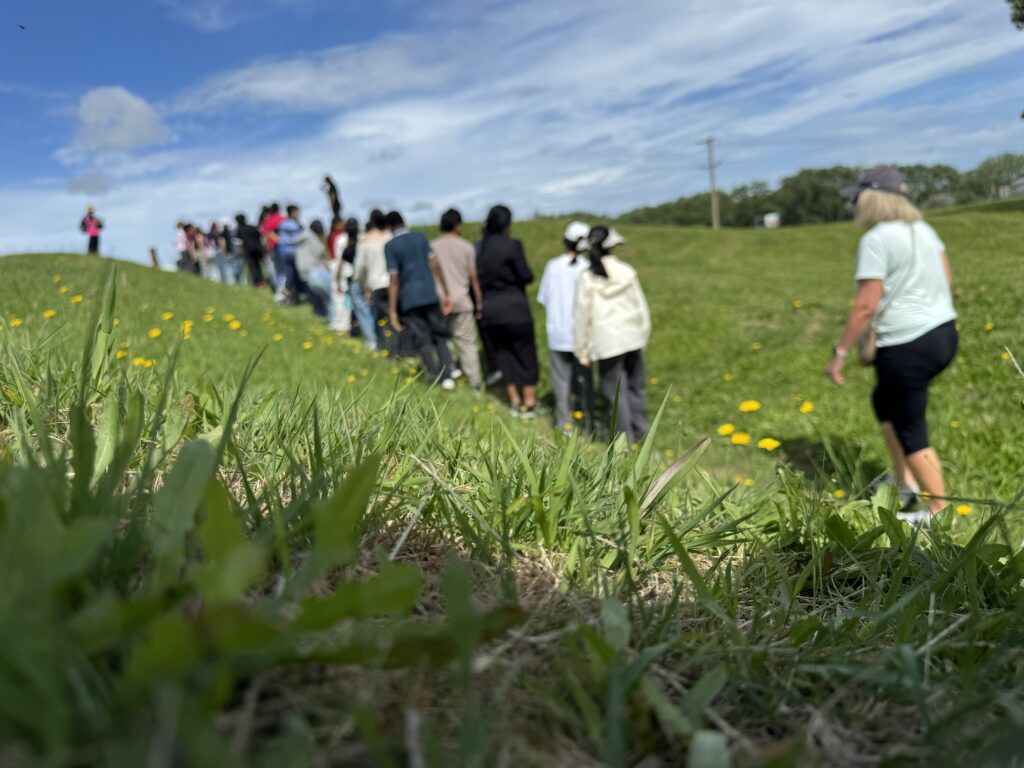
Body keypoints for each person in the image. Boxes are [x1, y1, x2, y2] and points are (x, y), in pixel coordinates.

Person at [827, 167, 959, 522]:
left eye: (856, 199)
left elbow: (865, 305)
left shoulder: (876, 239)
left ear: (872, 200)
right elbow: (946, 279)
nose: (854, 206)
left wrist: (839, 354)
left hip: (907, 344)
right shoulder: (924, 230)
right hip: (943, 333)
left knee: (909, 425)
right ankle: (904, 484)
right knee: (884, 401)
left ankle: (937, 512)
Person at [574, 226, 651, 445]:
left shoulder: (587, 278)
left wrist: (582, 350)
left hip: (607, 342)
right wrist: (643, 335)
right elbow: (641, 306)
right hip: (632, 337)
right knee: (636, 388)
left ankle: (623, 442)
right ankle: (642, 435)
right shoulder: (626, 271)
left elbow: (582, 316)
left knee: (615, 394)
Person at [476, 205, 539, 417]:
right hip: (515, 308)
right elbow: (526, 275)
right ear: (507, 224)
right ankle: (529, 403)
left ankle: (514, 401)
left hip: (491, 311)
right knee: (525, 354)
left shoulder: (480, 249)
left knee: (503, 356)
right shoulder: (512, 245)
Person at [385, 210, 457, 388]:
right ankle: (448, 372)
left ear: (390, 227)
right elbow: (435, 265)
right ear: (403, 222)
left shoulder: (391, 246)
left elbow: (394, 279)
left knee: (422, 338)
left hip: (409, 299)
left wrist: (392, 310)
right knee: (439, 334)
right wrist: (446, 293)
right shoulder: (421, 238)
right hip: (429, 294)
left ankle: (433, 374)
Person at [538, 221, 595, 432]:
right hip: (582, 334)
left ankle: (564, 423)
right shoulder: (588, 267)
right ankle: (587, 420)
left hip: (557, 332)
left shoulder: (553, 266)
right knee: (585, 380)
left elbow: (543, 297)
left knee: (561, 380)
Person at [432, 208, 483, 389]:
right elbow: (473, 279)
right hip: (462, 301)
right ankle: (474, 383)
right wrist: (479, 303)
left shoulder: (432, 246)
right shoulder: (467, 247)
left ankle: (449, 373)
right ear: (457, 225)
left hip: (440, 301)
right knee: (467, 344)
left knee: (444, 341)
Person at [353, 209, 394, 352]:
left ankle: (385, 347)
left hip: (376, 285)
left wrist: (364, 286)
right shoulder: (389, 237)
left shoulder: (364, 242)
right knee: (395, 316)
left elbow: (360, 269)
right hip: (393, 282)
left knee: (381, 319)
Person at [342, 217, 376, 348]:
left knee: (361, 310)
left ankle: (371, 338)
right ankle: (375, 336)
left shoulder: (345, 244)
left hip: (357, 279)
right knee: (370, 308)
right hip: (370, 278)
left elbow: (344, 264)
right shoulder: (365, 239)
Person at [295, 219, 337, 326]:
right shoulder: (312, 237)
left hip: (301, 266)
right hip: (312, 268)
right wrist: (323, 241)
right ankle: (320, 312)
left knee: (311, 292)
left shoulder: (302, 236)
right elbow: (320, 251)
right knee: (317, 293)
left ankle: (317, 311)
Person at [277, 205, 305, 303]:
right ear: (292, 213)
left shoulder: (282, 224)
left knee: (290, 274)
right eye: (297, 213)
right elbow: (299, 239)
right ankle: (293, 294)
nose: (298, 215)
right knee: (296, 276)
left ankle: (290, 296)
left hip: (285, 252)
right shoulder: (296, 225)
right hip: (294, 252)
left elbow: (280, 239)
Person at [262, 203, 286, 301]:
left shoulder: (268, 222)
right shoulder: (284, 218)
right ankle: (286, 290)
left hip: (274, 249)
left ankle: (280, 292)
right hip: (285, 248)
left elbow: (266, 237)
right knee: (286, 270)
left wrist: (267, 250)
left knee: (278, 271)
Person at [235, 213, 266, 287]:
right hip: (258, 249)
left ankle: (257, 283)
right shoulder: (252, 227)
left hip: (248, 251)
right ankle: (262, 281)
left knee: (252, 267)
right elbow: (260, 236)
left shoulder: (239, 230)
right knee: (258, 266)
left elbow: (238, 242)